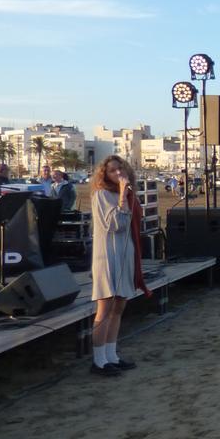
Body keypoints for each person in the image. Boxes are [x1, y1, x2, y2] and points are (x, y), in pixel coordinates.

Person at [88, 156, 145, 376]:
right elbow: (116, 224)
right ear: (105, 174)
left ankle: (111, 355)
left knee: (119, 306)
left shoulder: (128, 195)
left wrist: (125, 194)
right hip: (108, 255)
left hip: (124, 253)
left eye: (120, 169)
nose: (118, 174)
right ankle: (99, 360)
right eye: (113, 171)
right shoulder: (101, 195)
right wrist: (122, 194)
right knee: (105, 308)